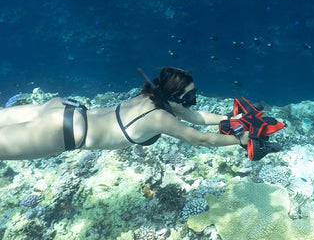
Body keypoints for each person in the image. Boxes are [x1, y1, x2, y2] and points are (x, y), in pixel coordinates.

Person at [0, 67, 249, 160]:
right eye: (190, 95)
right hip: (64, 132)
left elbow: (197, 118)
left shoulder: (151, 95)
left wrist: (232, 120)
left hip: (63, 108)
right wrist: (239, 140)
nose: (193, 101)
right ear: (173, 95)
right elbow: (200, 138)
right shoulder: (160, 117)